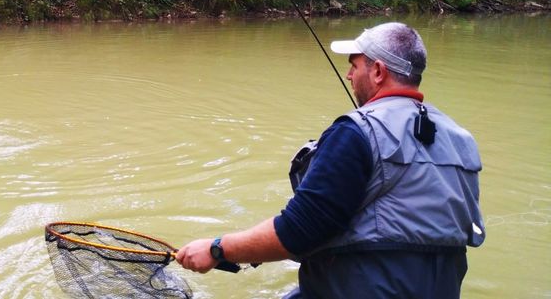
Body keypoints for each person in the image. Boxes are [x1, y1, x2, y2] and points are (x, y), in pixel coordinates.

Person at [176, 22, 485, 298]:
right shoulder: (461, 139)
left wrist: (216, 248)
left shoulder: (356, 132)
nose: (349, 75)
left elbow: (299, 230)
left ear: (378, 71)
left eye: (355, 65)